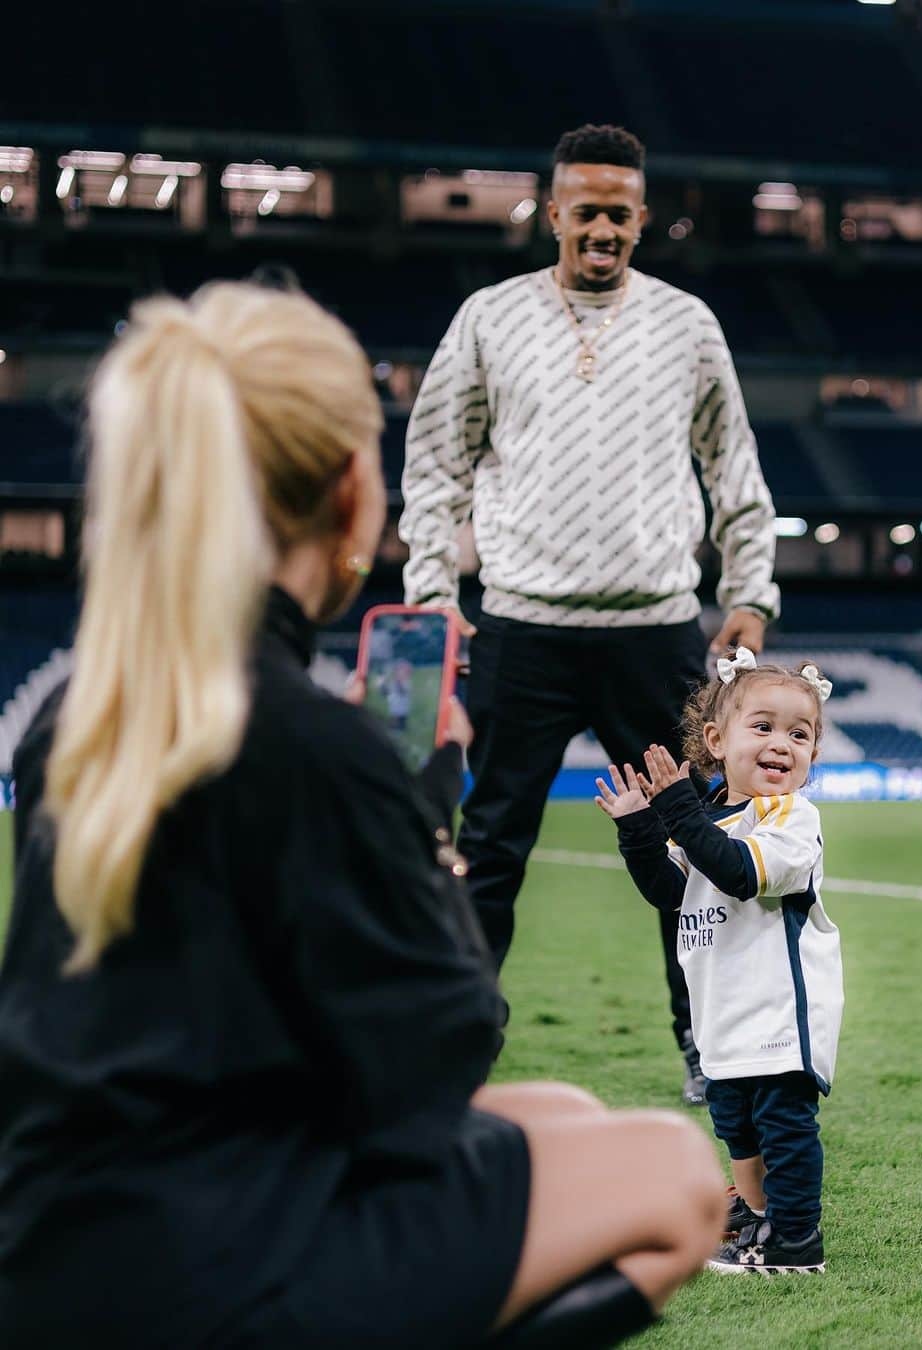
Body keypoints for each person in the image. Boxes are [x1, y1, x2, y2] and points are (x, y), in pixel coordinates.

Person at [0, 282, 731, 1348]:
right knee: (672, 1177)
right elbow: (435, 1063)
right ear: (352, 497)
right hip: (204, 1272)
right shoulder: (310, 747)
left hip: (67, 1238)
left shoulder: (75, 715)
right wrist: (424, 809)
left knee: (568, 1117)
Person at [399, 122, 780, 1104]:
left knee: (688, 845)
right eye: (585, 207)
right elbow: (436, 462)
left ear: (642, 219)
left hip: (656, 630)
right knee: (489, 853)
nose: (602, 225)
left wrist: (749, 590)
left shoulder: (688, 324)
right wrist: (433, 596)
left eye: (620, 209)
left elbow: (732, 464)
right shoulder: (489, 317)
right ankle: (454, 1047)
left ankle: (708, 1047)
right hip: (520, 627)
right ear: (554, 210)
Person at [596, 649, 843, 1274]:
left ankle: (794, 1239)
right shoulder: (709, 817)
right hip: (723, 1004)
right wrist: (639, 828)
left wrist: (677, 807)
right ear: (715, 739)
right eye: (763, 727)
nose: (782, 744)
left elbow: (735, 873)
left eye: (800, 734)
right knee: (735, 1120)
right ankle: (755, 1214)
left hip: (780, 1005)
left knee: (781, 1123)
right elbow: (672, 890)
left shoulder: (790, 816)